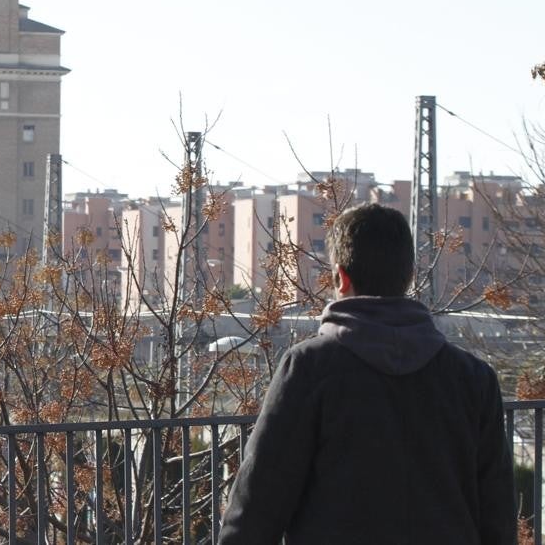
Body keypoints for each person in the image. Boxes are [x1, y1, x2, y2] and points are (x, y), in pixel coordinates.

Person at [218, 203, 514, 544]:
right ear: (410, 275)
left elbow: (259, 506)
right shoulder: (474, 379)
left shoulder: (308, 369)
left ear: (341, 278)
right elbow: (497, 517)